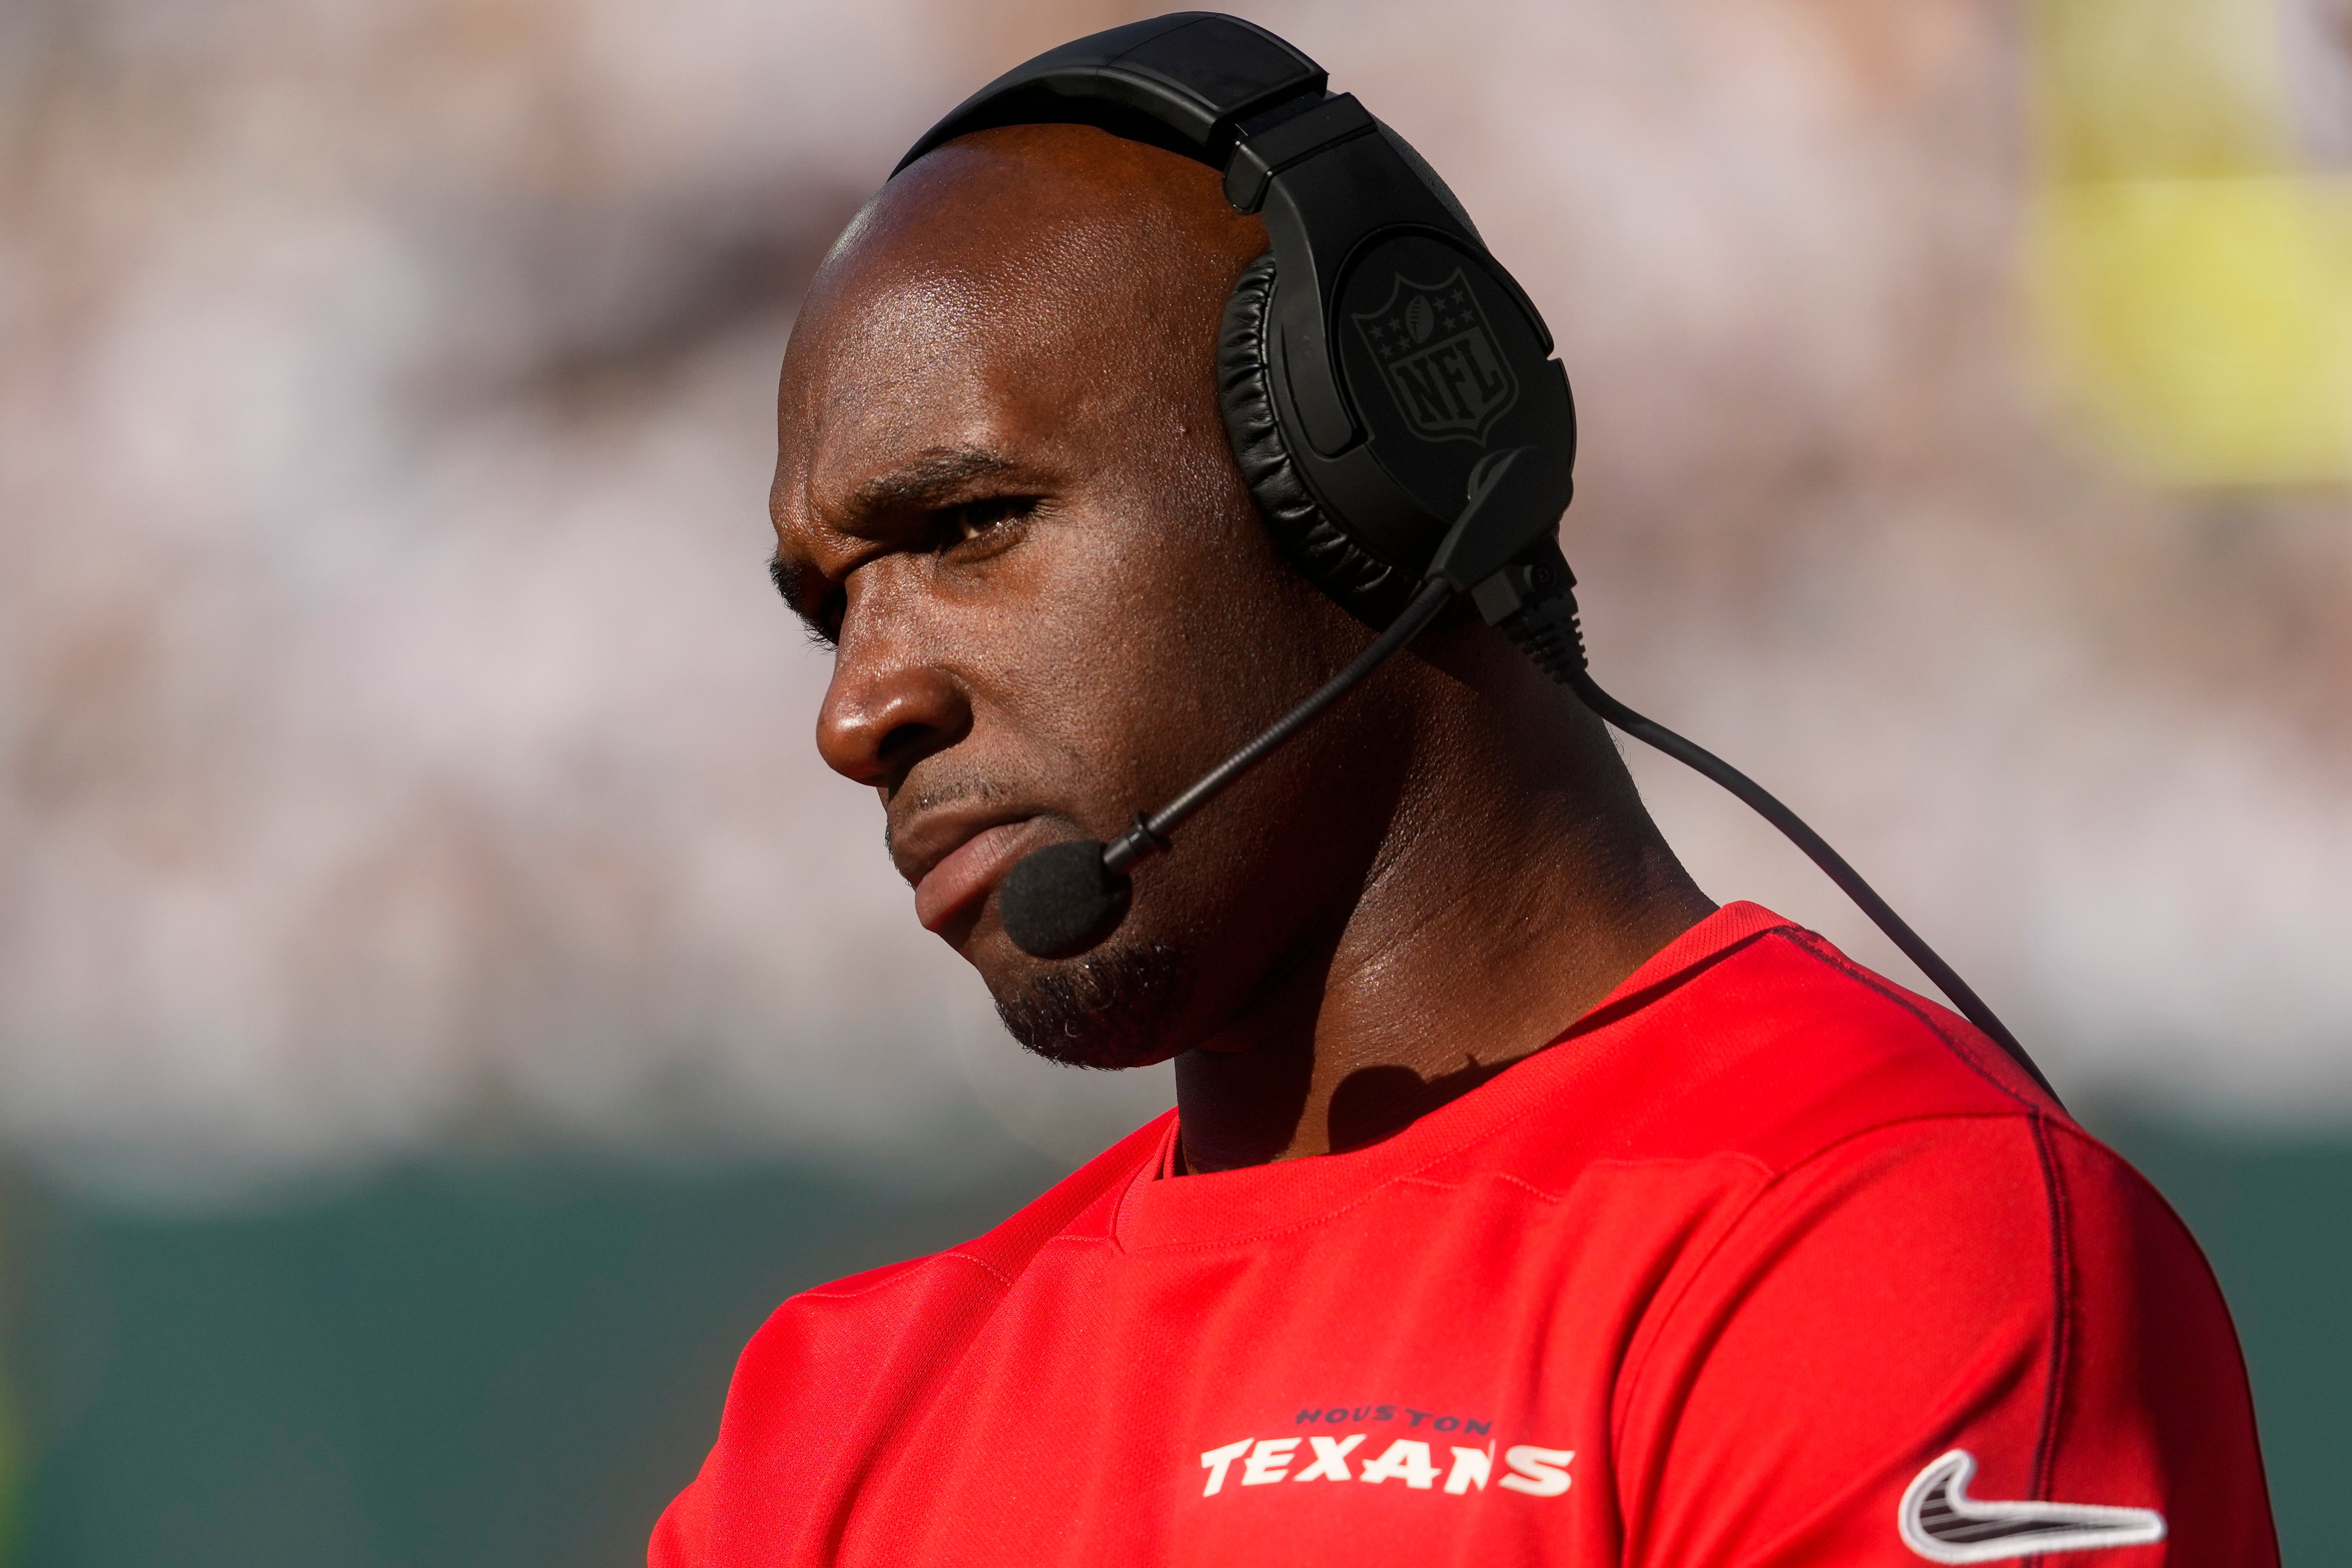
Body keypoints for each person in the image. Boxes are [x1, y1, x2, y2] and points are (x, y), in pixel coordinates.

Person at [651, 24, 2276, 1567]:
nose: (860, 709)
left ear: (1369, 470)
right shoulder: (828, 1425)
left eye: (967, 528)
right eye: (828, 607)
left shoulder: (1884, 1231)